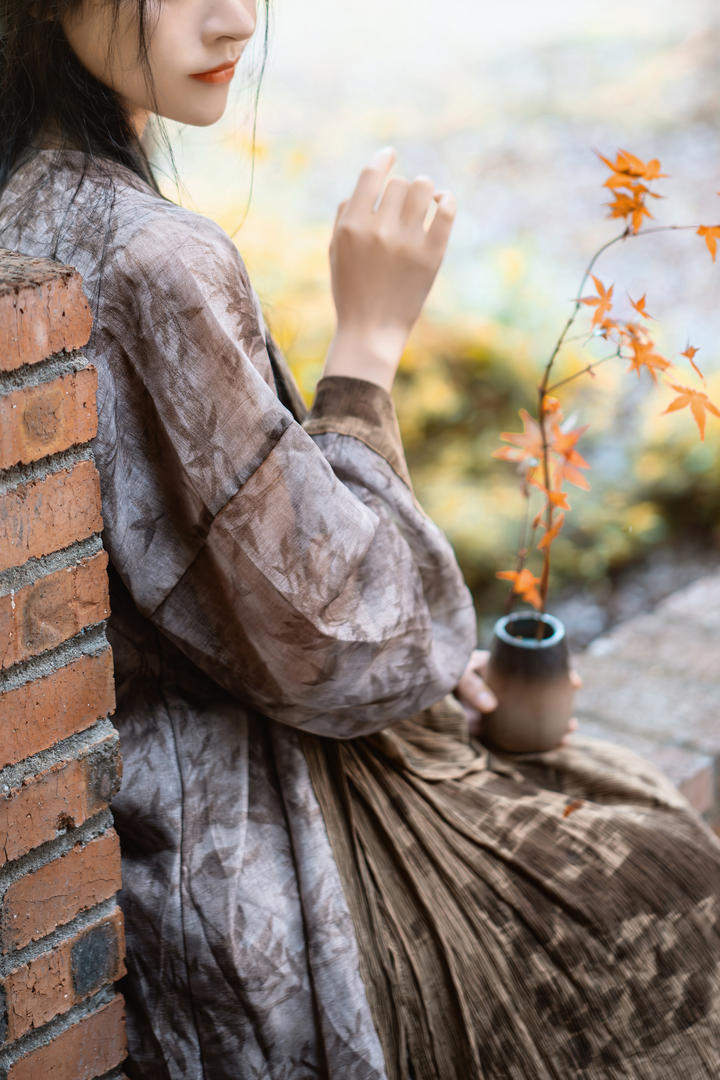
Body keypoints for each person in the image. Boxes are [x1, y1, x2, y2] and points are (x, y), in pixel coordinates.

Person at [2, 2, 720, 1077]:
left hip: (127, 828)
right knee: (657, 866)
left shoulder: (31, 207)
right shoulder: (153, 258)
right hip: (241, 881)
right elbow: (344, 642)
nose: (236, 16)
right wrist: (370, 342)